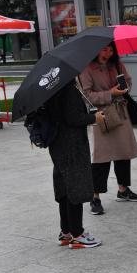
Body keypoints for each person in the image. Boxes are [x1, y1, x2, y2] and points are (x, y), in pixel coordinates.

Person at [78, 42, 137, 215]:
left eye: (111, 49)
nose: (108, 53)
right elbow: (87, 95)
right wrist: (110, 93)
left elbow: (128, 81)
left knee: (123, 152)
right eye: (104, 49)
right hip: (103, 115)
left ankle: (123, 189)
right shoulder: (86, 69)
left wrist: (124, 88)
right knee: (102, 157)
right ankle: (95, 197)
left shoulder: (117, 64)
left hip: (121, 112)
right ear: (96, 50)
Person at [47, 79, 104, 248]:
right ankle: (77, 234)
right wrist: (95, 117)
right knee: (75, 186)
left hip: (57, 144)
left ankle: (66, 232)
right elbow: (73, 118)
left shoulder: (52, 87)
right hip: (72, 144)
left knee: (64, 186)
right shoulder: (68, 88)